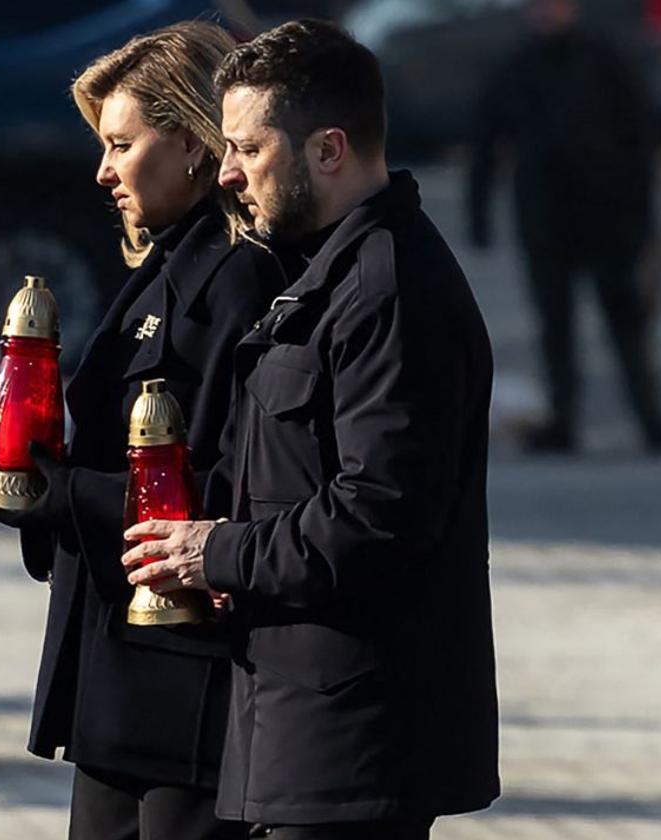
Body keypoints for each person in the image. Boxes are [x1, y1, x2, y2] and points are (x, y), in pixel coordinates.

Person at [120, 20, 500, 839]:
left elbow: (379, 516)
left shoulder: (388, 289)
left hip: (358, 743)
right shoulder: (327, 275)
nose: (226, 174)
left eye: (247, 149)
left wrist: (214, 550)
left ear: (328, 150)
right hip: (293, 731)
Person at [0, 21, 291, 840]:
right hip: (126, 675)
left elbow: (225, 487)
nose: (102, 170)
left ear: (190, 141)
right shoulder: (170, 263)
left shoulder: (235, 277)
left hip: (184, 685)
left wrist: (56, 492)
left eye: (121, 143)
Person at [469, 0, 661, 453]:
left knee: (625, 322)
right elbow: (486, 141)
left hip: (607, 217)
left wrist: (642, 217)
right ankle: (565, 419)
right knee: (556, 325)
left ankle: (648, 418)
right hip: (546, 218)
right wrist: (480, 216)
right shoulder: (517, 66)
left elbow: (639, 137)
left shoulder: (603, 60)